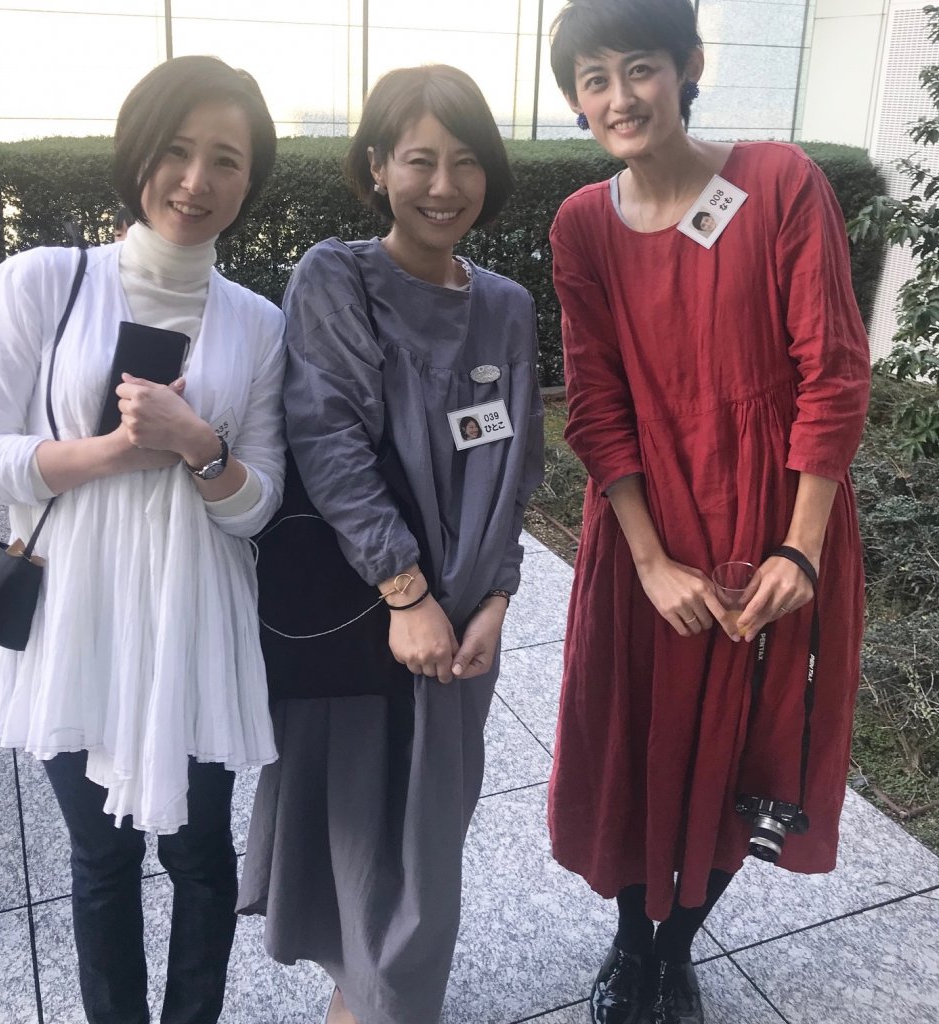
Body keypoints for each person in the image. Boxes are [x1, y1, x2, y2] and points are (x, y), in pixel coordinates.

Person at [0, 55, 285, 1024]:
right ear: (137, 154)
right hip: (76, 621)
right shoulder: (43, 282)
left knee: (200, 856)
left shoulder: (259, 324)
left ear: (249, 181)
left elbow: (258, 506)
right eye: (176, 150)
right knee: (100, 859)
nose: (196, 180)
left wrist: (200, 445)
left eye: (226, 160)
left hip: (197, 629)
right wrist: (113, 451)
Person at [545, 2, 871, 1023]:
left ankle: (674, 950)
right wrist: (648, 562)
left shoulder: (779, 182)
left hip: (773, 523)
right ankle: (629, 943)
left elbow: (832, 371)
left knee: (748, 748)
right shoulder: (582, 225)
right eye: (593, 79)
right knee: (638, 743)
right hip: (647, 532)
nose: (618, 97)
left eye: (638, 67)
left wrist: (800, 551)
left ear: (688, 66)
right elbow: (595, 406)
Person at [237, 64, 545, 1024]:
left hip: (464, 629)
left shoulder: (506, 305)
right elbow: (327, 440)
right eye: (419, 160)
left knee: (430, 836)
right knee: (360, 842)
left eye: (466, 161)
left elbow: (518, 466)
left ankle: (369, 1001)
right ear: (377, 167)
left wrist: (496, 599)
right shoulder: (338, 277)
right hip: (368, 612)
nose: (444, 185)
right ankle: (371, 1003)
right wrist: (406, 596)